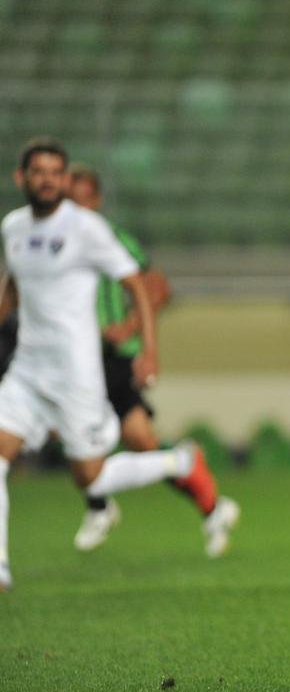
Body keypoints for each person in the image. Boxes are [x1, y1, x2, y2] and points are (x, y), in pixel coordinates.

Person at [0, 139, 234, 592]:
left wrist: (147, 349)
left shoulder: (88, 230)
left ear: (64, 180)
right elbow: (11, 289)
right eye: (38, 171)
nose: (47, 180)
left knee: (92, 474)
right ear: (21, 178)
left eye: (55, 172)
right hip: (27, 371)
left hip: (79, 375)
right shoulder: (12, 228)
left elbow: (140, 284)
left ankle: (178, 462)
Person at [66, 164, 239, 556]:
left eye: (81, 201)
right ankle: (205, 504)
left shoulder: (111, 239)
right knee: (82, 432)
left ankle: (111, 502)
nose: (75, 210)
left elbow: (157, 285)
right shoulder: (57, 241)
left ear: (96, 201)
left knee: (137, 442)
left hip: (111, 359)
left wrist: (131, 330)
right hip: (75, 361)